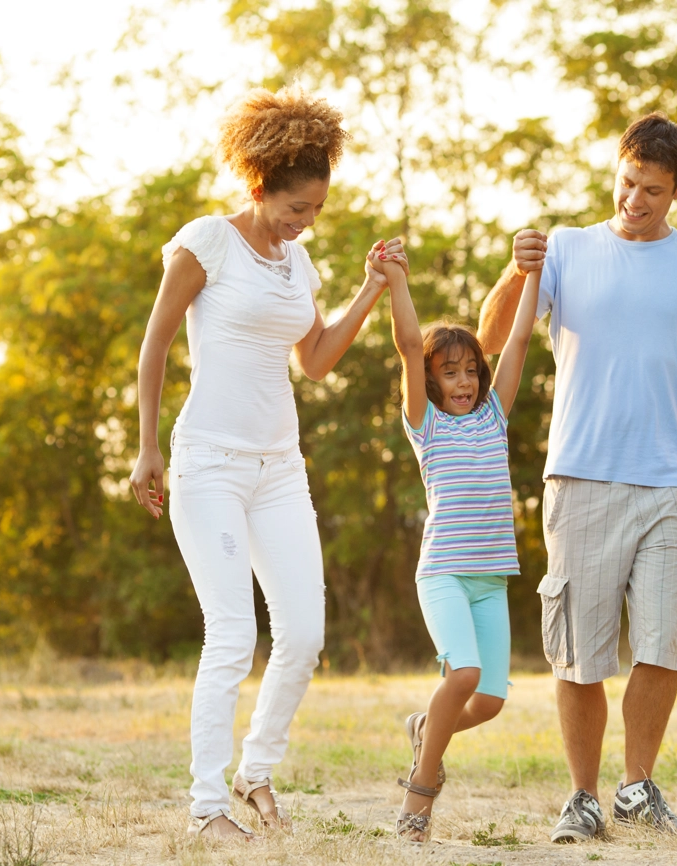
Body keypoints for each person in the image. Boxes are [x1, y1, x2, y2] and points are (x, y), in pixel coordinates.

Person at [478, 112, 677, 842]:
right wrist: (518, 269)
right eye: (628, 182)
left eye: (653, 191)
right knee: (579, 653)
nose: (635, 200)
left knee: (664, 640)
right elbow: (488, 339)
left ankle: (637, 785)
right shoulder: (568, 249)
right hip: (579, 476)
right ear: (618, 168)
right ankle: (582, 798)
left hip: (670, 482)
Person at [129, 86, 403, 841]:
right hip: (209, 462)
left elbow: (314, 360)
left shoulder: (297, 259)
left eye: (315, 210)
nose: (304, 222)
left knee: (305, 633)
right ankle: (208, 806)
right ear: (258, 186)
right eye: (295, 209)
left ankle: (257, 770)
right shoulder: (206, 242)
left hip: (280, 468)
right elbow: (154, 344)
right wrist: (148, 446)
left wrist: (371, 290)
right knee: (230, 634)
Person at [380, 245, 542, 841]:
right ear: (430, 379)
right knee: (465, 674)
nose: (465, 381)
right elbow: (406, 342)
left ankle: (426, 726)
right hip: (444, 572)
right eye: (450, 371)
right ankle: (420, 794)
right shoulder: (425, 423)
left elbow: (519, 342)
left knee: (491, 699)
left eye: (470, 370)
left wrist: (532, 275)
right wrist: (398, 279)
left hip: (490, 579)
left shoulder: (494, 415)